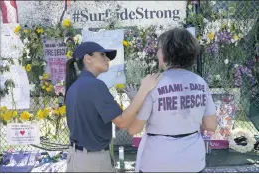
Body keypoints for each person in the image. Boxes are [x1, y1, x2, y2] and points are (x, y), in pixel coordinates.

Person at [127, 28, 217, 172]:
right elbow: (211, 125)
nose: (156, 53)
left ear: (165, 53)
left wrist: (135, 103)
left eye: (159, 49)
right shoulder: (200, 83)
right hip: (193, 161)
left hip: (157, 161)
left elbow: (133, 129)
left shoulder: (153, 83)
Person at [64, 41, 162, 172]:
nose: (107, 59)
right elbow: (122, 122)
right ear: (88, 59)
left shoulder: (76, 85)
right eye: (102, 55)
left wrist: (135, 100)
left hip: (78, 158)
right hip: (92, 162)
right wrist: (143, 91)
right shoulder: (94, 85)